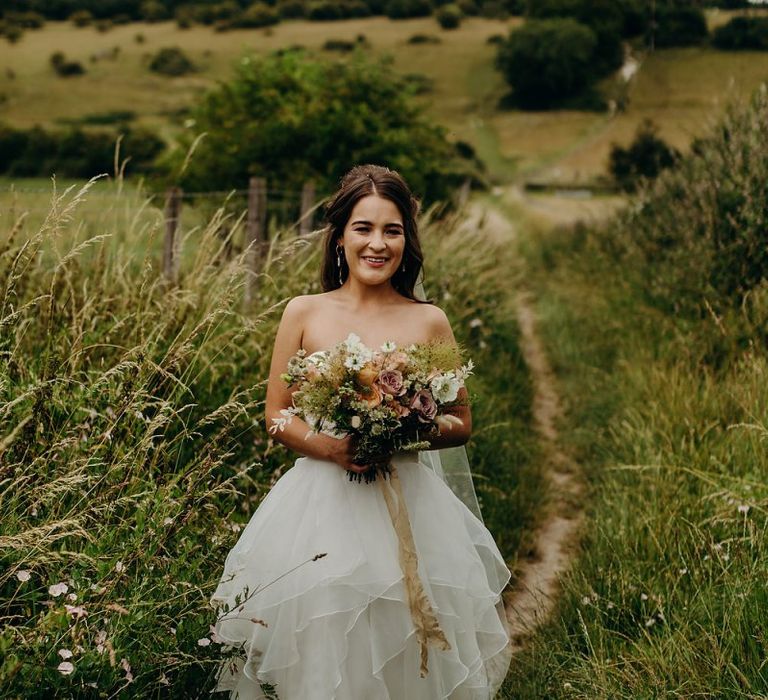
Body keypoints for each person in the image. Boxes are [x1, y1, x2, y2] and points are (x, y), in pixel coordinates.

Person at [210, 164, 512, 699]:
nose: (377, 243)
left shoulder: (429, 321)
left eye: (391, 230)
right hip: (319, 510)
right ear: (340, 237)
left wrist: (401, 429)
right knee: (326, 636)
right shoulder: (304, 312)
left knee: (400, 639)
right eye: (363, 228)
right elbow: (276, 414)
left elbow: (461, 422)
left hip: (411, 506)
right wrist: (331, 446)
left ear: (407, 240)